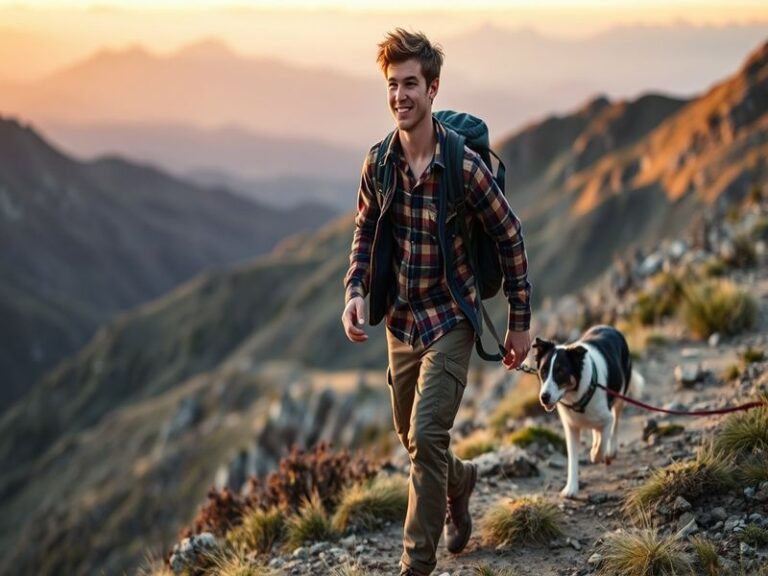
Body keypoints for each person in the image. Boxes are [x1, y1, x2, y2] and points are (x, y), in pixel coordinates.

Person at [341, 28, 532, 576]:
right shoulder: (378, 164)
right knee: (412, 439)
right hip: (400, 322)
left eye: (410, 85)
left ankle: (415, 566)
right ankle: (461, 480)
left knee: (426, 437)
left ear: (433, 89)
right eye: (392, 85)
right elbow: (363, 231)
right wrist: (354, 291)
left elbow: (510, 236)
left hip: (452, 318)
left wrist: (520, 325)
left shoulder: (463, 166)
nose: (400, 95)